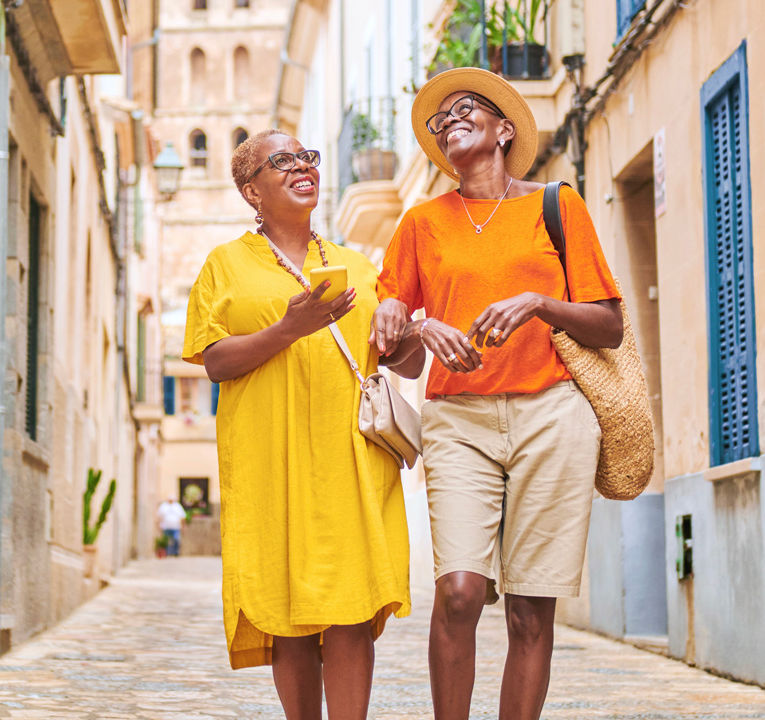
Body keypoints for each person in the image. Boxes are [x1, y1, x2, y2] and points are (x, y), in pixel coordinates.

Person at [371, 68, 624, 720]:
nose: (449, 118)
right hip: (457, 418)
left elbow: (610, 324)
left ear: (504, 129)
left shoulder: (557, 207)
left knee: (529, 612)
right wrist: (418, 325)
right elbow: (395, 354)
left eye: (467, 109)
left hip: (553, 413)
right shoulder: (421, 224)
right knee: (458, 591)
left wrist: (540, 303)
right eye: (440, 117)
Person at [182, 128, 424, 720]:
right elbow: (214, 361)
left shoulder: (358, 265)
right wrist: (290, 328)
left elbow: (405, 362)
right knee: (287, 610)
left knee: (349, 608)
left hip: (350, 459)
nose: (302, 166)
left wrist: (404, 333)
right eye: (282, 160)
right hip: (270, 457)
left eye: (307, 157)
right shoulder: (226, 265)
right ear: (251, 191)